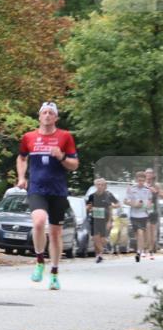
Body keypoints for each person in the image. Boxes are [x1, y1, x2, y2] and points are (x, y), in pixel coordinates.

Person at [16, 101, 79, 290]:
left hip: (58, 191)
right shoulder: (29, 137)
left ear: (56, 117)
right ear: (39, 116)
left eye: (51, 113)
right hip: (37, 188)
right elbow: (21, 157)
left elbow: (74, 165)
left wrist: (61, 157)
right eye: (44, 112)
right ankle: (39, 260)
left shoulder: (65, 136)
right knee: (38, 221)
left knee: (55, 233)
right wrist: (21, 177)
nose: (47, 115)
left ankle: (54, 272)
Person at [86, 178, 118, 263]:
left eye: (102, 185)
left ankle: (100, 253)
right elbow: (88, 207)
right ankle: (99, 255)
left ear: (105, 186)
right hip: (95, 219)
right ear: (95, 186)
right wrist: (89, 208)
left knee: (102, 239)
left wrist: (110, 221)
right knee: (96, 237)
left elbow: (117, 204)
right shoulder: (92, 196)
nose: (100, 186)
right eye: (98, 185)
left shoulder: (108, 195)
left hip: (106, 220)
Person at [125, 170, 153, 263]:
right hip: (133, 215)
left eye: (142, 180)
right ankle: (140, 249)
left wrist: (144, 205)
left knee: (140, 233)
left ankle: (138, 252)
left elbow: (150, 204)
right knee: (137, 235)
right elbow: (125, 201)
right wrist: (134, 204)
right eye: (139, 180)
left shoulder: (148, 190)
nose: (140, 182)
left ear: (145, 180)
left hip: (143, 215)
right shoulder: (131, 189)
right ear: (136, 179)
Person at [146, 168, 160, 260]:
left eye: (150, 173)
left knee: (152, 231)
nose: (148, 175)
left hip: (153, 210)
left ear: (153, 175)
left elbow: (161, 194)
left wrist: (155, 191)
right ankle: (147, 248)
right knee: (147, 229)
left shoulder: (156, 185)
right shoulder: (142, 184)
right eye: (147, 173)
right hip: (144, 209)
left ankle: (151, 249)